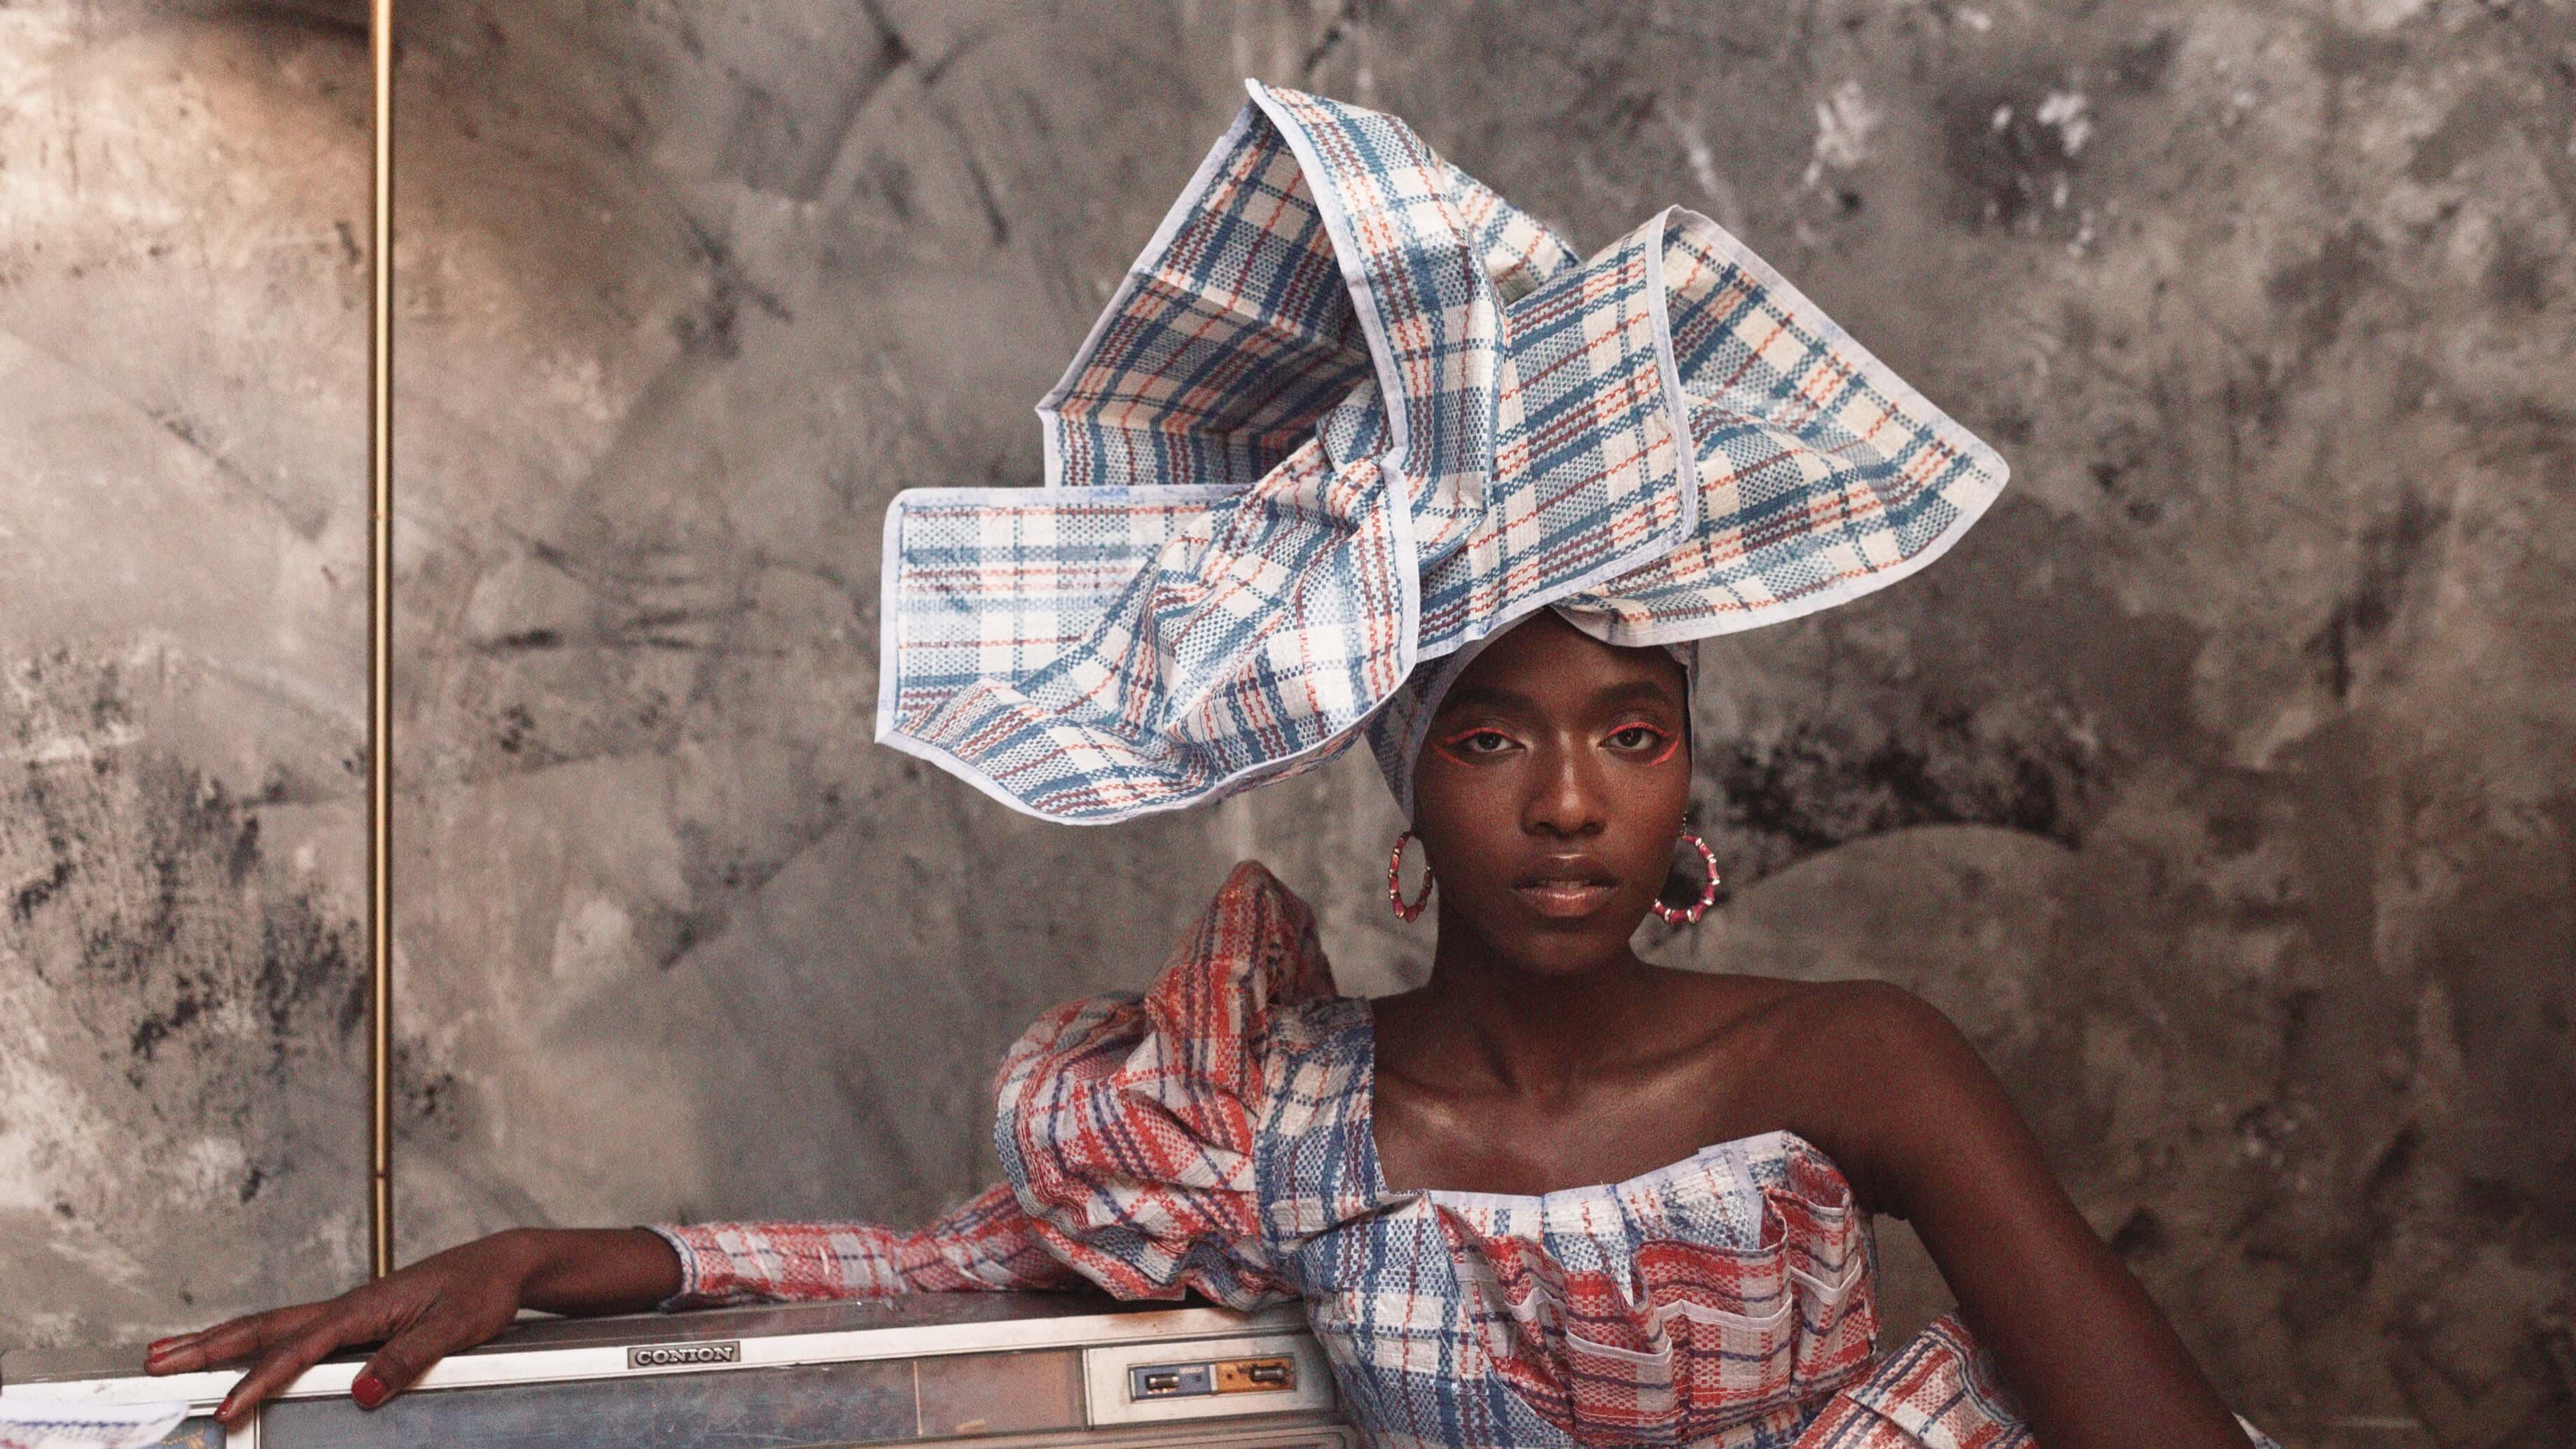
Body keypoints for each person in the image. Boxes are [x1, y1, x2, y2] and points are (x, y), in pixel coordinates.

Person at [146, 83, 2280, 1448]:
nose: (1567, 804)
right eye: (1492, 738)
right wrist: (542, 1260)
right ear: (1407, 791)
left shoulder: (1858, 1059)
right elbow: (932, 1271)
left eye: (1631, 737)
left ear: (1688, 781)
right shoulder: (1267, 1119)